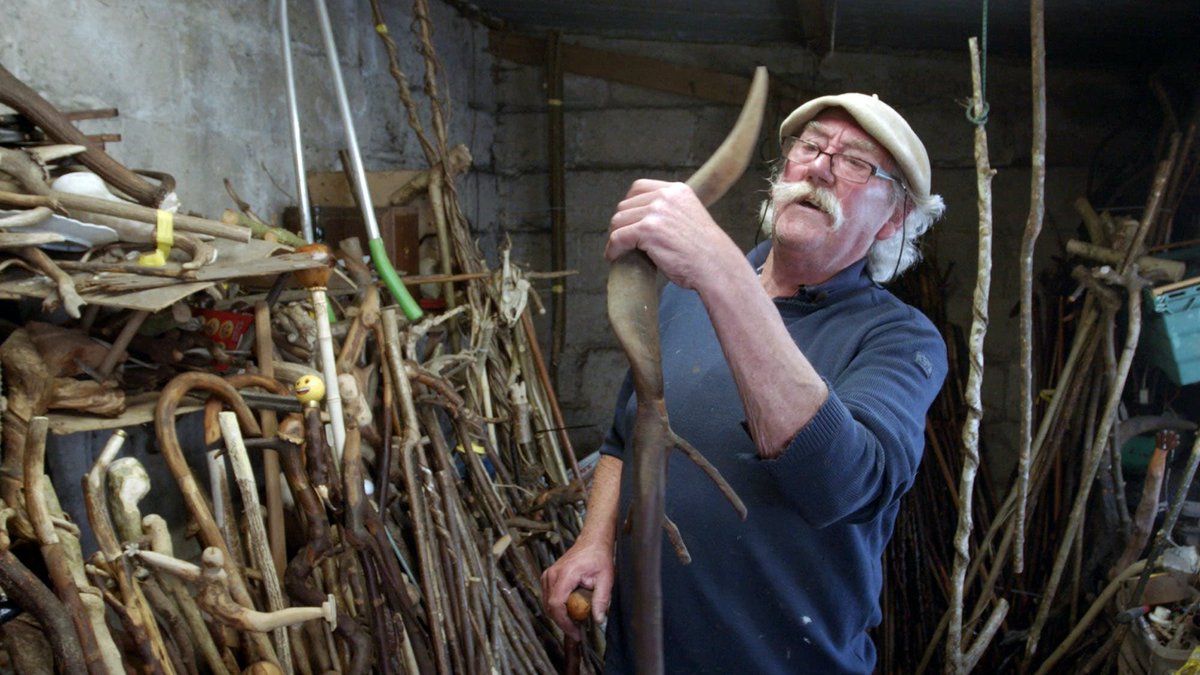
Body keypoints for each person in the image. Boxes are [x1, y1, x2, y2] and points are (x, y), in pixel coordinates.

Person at [542, 93, 949, 674]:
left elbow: (840, 484)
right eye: (810, 146)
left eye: (856, 162)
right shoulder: (684, 295)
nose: (820, 167)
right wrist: (595, 540)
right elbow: (621, 439)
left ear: (894, 219)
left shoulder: (900, 338)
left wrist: (722, 272)